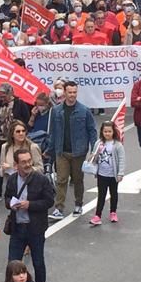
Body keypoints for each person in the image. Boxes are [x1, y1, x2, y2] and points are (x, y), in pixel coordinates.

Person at [3, 148, 54, 282]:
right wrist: (11, 205)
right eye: (23, 162)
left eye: (29, 161)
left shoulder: (41, 179)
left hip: (35, 229)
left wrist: (29, 205)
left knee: (38, 263)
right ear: (16, 165)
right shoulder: (13, 179)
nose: (27, 164)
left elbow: (49, 201)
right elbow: (7, 198)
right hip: (17, 228)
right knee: (12, 264)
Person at [48, 82, 97, 218]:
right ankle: (59, 208)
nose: (72, 95)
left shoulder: (84, 110)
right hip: (61, 151)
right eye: (70, 92)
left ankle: (78, 204)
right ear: (64, 92)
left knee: (77, 180)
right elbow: (53, 131)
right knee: (61, 180)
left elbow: (92, 131)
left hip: (78, 152)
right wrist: (49, 149)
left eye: (74, 92)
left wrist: (94, 149)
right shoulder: (57, 110)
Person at [90, 120, 126, 224]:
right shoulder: (99, 143)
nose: (107, 133)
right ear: (102, 132)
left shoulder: (117, 145)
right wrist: (95, 153)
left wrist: (120, 173)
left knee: (113, 194)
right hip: (102, 174)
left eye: (109, 131)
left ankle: (113, 212)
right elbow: (94, 156)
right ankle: (97, 215)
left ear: (113, 132)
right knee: (101, 194)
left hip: (113, 175)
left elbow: (122, 159)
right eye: (105, 131)